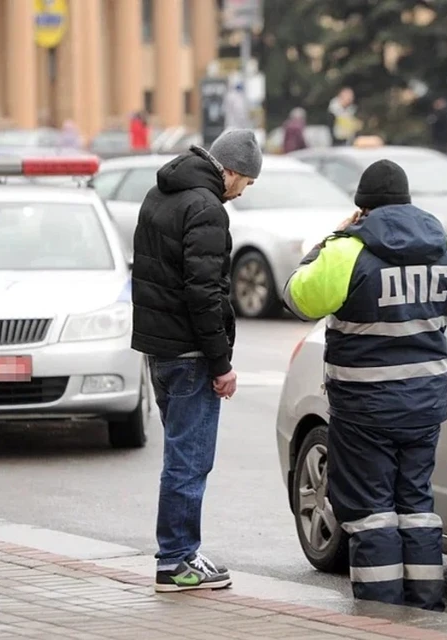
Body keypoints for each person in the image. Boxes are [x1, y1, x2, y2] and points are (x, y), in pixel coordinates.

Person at [280, 159, 447, 611]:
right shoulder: (444, 247)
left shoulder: (347, 250)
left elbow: (297, 297)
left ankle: (381, 615)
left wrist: (327, 242)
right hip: (425, 407)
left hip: (364, 409)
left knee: (371, 512)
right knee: (416, 504)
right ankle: (425, 606)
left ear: (362, 209)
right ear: (408, 203)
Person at [131, 129, 263, 593]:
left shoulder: (158, 194)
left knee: (180, 457)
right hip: (190, 356)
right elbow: (205, 293)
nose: (241, 191)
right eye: (243, 181)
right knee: (189, 462)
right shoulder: (206, 208)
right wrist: (221, 363)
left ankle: (181, 553)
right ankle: (176, 560)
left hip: (160, 349)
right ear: (227, 170)